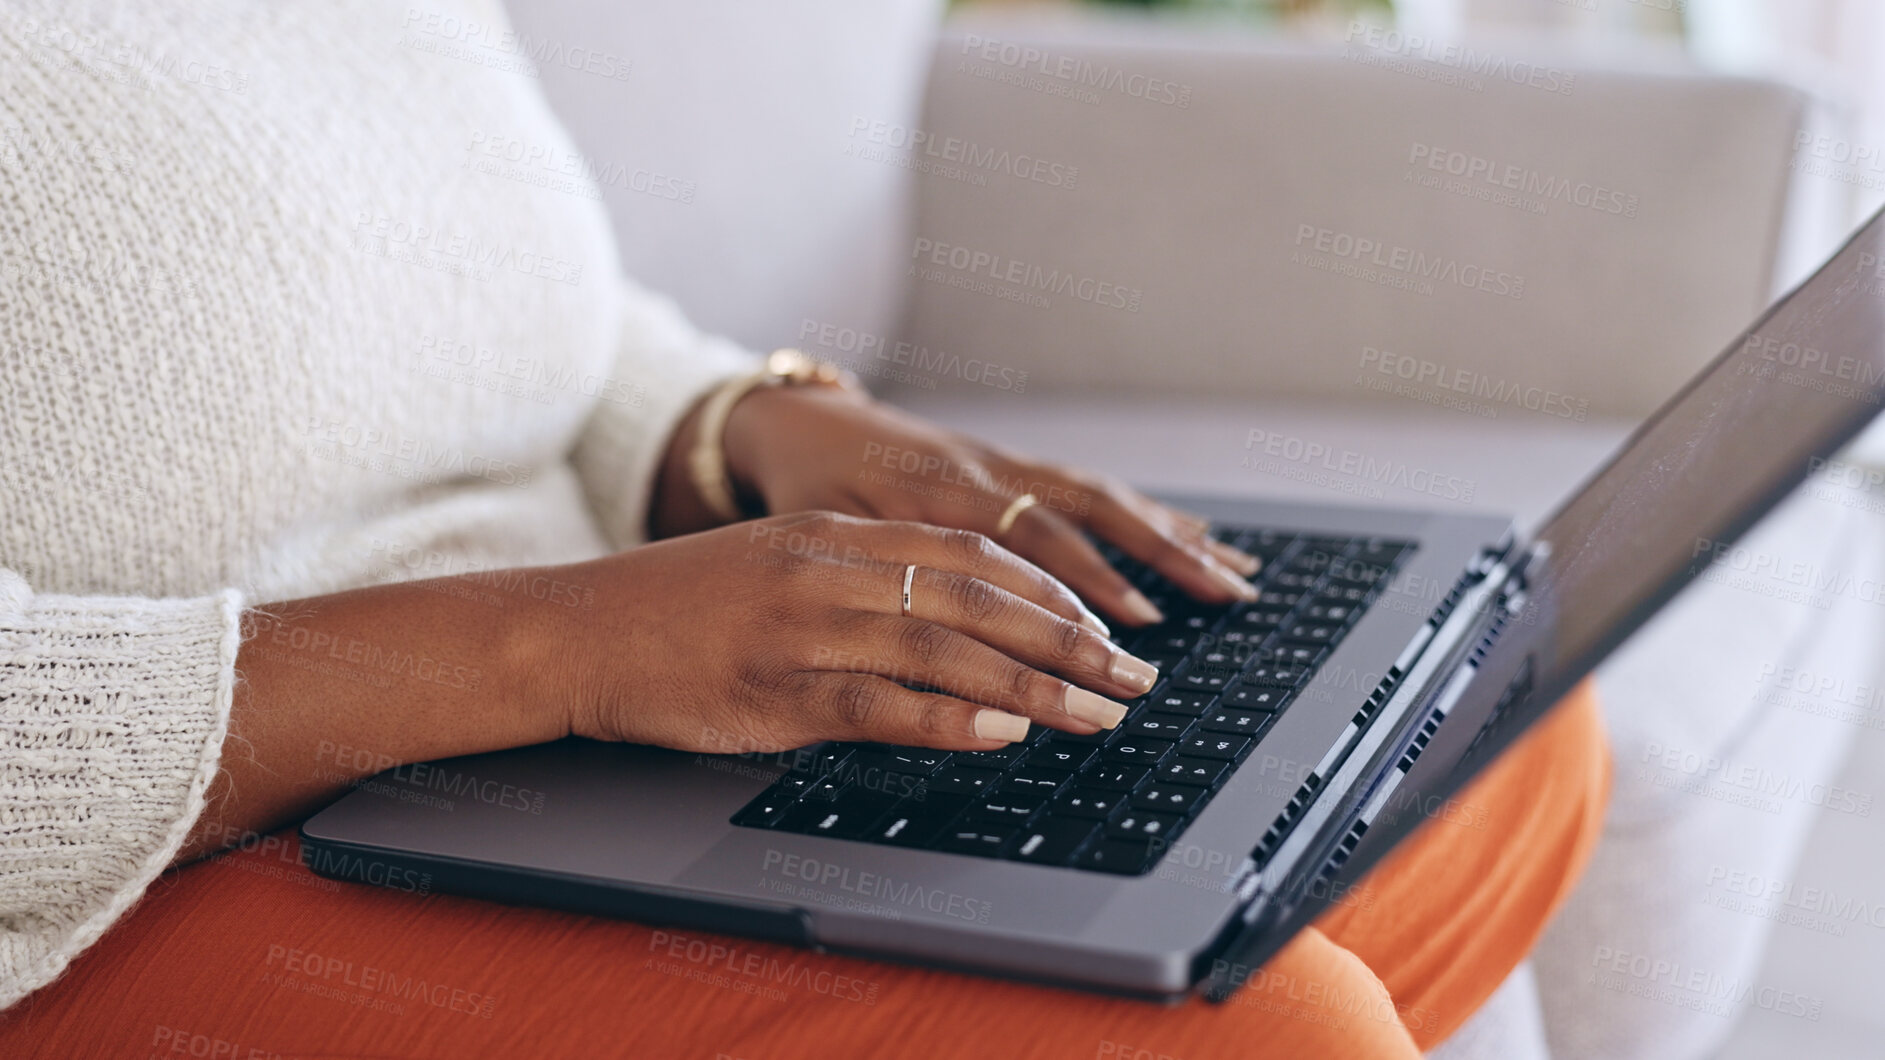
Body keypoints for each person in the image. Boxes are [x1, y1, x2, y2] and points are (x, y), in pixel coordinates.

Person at [0, 2, 1608, 1055]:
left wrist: (757, 427)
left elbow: (478, 306)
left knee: (1486, 713)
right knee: (1270, 1036)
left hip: (567, 721)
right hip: (130, 890)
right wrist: (555, 641)